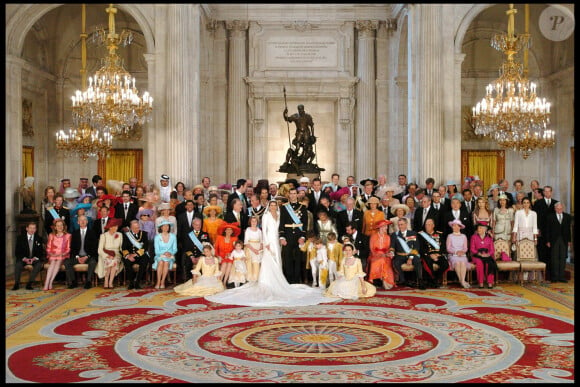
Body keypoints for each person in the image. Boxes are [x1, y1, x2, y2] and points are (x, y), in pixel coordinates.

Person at [205, 200, 338, 307]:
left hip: (277, 240)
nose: (273, 207)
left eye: (275, 205)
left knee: (278, 261)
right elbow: (264, 230)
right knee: (270, 261)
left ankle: (279, 280)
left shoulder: (279, 215)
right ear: (269, 206)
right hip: (269, 241)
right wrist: (266, 243)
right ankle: (268, 282)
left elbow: (280, 229)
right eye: (272, 205)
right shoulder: (266, 216)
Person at [278, 187, 308, 284]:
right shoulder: (284, 207)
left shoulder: (302, 207)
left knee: (298, 258)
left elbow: (305, 223)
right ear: (288, 195)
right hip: (288, 235)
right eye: (291, 193)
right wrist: (282, 237)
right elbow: (281, 223)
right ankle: (288, 280)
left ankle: (297, 280)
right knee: (287, 258)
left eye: (294, 193)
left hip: (298, 236)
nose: (293, 195)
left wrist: (303, 236)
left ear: (297, 195)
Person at [390, 218, 425, 289]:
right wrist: (391, 253)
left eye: (402, 224)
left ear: (406, 224)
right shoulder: (394, 235)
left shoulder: (412, 233)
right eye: (399, 225)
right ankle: (403, 280)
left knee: (417, 261)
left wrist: (410, 257)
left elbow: (416, 247)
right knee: (396, 263)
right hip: (400, 255)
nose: (400, 226)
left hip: (411, 254)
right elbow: (392, 246)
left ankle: (420, 281)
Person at [66, 215, 98, 289]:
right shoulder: (74, 233)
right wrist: (77, 257)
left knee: (93, 262)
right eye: (81, 220)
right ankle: (73, 282)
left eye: (84, 220)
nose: (83, 222)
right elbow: (73, 247)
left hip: (88, 256)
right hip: (78, 256)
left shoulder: (92, 233)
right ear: (78, 222)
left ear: (87, 221)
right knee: (67, 262)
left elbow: (94, 247)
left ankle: (88, 281)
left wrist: (87, 256)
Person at [12, 222, 45, 290]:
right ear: (27, 228)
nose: (32, 230)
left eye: (34, 228)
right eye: (30, 228)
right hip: (23, 259)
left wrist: (34, 258)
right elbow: (17, 252)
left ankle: (30, 283)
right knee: (18, 264)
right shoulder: (20, 238)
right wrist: (25, 259)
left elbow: (40, 252)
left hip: (34, 259)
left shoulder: (38, 238)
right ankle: (16, 284)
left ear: (36, 229)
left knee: (39, 264)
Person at [418, 218, 449, 288]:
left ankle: (435, 279)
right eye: (426, 225)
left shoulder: (439, 234)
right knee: (427, 263)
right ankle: (432, 281)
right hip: (427, 255)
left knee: (445, 264)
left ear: (433, 225)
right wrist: (430, 254)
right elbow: (421, 248)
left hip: (438, 254)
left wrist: (439, 254)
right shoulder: (421, 235)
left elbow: (443, 246)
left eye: (429, 224)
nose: (427, 226)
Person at [545, 202, 572, 283]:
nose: (559, 210)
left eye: (560, 208)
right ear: (555, 208)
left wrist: (569, 240)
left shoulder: (567, 217)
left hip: (564, 240)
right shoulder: (550, 217)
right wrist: (547, 241)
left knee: (563, 258)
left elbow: (568, 229)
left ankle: (561, 277)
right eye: (557, 208)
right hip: (554, 240)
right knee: (554, 258)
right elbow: (547, 230)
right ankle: (555, 277)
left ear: (562, 208)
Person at [43, 218, 71, 290]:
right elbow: (48, 247)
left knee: (58, 262)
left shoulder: (68, 235)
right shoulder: (51, 235)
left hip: (62, 255)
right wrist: (51, 254)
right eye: (58, 226)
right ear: (55, 227)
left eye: (61, 225)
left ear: (64, 226)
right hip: (53, 255)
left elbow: (68, 248)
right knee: (52, 263)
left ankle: (50, 282)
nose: (60, 227)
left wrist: (62, 254)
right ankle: (47, 282)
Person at [180, 217, 210, 282]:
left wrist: (201, 256)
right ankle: (187, 280)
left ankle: (203, 280)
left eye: (199, 224)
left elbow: (207, 247)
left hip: (201, 255)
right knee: (186, 260)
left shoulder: (205, 234)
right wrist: (192, 257)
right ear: (193, 225)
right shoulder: (188, 235)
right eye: (196, 225)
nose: (198, 226)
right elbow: (186, 248)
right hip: (191, 255)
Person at [121, 220, 150, 290]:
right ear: (131, 228)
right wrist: (128, 255)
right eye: (134, 228)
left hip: (140, 255)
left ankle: (137, 282)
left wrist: (136, 254)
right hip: (130, 255)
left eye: (138, 227)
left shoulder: (144, 234)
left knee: (145, 260)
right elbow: (124, 247)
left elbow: (145, 247)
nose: (137, 229)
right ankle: (131, 283)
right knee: (127, 262)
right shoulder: (126, 235)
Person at [96, 218, 124, 289]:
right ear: (110, 227)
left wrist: (121, 254)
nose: (116, 228)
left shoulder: (120, 235)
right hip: (105, 254)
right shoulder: (103, 235)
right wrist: (107, 256)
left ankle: (110, 282)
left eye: (117, 226)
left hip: (116, 254)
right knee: (110, 261)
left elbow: (121, 248)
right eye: (115, 226)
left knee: (114, 261)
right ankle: (106, 281)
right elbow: (100, 250)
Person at [368, 219, 394, 289]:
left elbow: (388, 248)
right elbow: (371, 248)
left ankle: (384, 281)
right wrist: (378, 255)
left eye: (386, 227)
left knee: (384, 260)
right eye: (384, 226)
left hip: (385, 255)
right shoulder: (373, 236)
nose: (386, 228)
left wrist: (388, 254)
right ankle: (376, 280)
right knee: (379, 261)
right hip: (375, 255)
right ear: (380, 227)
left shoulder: (388, 237)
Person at [470, 222, 497, 288]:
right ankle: (481, 282)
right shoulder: (474, 237)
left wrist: (488, 254)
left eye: (481, 228)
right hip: (477, 255)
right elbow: (472, 249)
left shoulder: (489, 238)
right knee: (479, 263)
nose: (479, 229)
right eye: (478, 228)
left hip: (487, 255)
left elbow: (492, 250)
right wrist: (479, 254)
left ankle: (490, 282)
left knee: (490, 263)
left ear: (485, 230)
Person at [153, 220, 177, 289]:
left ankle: (162, 282)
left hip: (170, 256)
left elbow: (175, 249)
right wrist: (163, 253)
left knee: (166, 262)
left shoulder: (173, 236)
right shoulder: (157, 237)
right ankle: (158, 281)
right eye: (164, 226)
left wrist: (170, 253)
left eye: (167, 226)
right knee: (160, 262)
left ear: (169, 227)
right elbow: (156, 250)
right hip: (159, 255)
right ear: (161, 227)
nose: (166, 227)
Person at [446, 219, 470, 288]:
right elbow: (448, 248)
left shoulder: (463, 236)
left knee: (462, 263)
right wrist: (456, 252)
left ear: (460, 227)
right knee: (457, 263)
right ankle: (462, 282)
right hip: (453, 255)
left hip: (462, 255)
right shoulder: (450, 236)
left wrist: (462, 252)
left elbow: (465, 248)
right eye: (454, 226)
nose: (455, 227)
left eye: (457, 226)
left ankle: (462, 281)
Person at [214, 222, 240, 286]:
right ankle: (219, 282)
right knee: (224, 264)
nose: (229, 231)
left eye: (231, 230)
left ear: (232, 232)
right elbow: (215, 249)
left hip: (230, 256)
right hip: (221, 257)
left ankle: (225, 282)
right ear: (225, 230)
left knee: (229, 263)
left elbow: (236, 249)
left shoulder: (234, 239)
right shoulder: (219, 238)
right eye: (227, 229)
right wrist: (218, 256)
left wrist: (230, 254)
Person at [244, 216, 263, 282]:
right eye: (252, 221)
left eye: (255, 221)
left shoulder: (259, 230)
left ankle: (256, 277)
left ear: (257, 222)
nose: (254, 222)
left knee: (257, 261)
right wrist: (254, 250)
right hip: (250, 247)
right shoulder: (248, 230)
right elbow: (246, 242)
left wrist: (259, 249)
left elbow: (261, 241)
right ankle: (250, 277)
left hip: (258, 248)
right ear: (250, 222)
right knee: (251, 261)